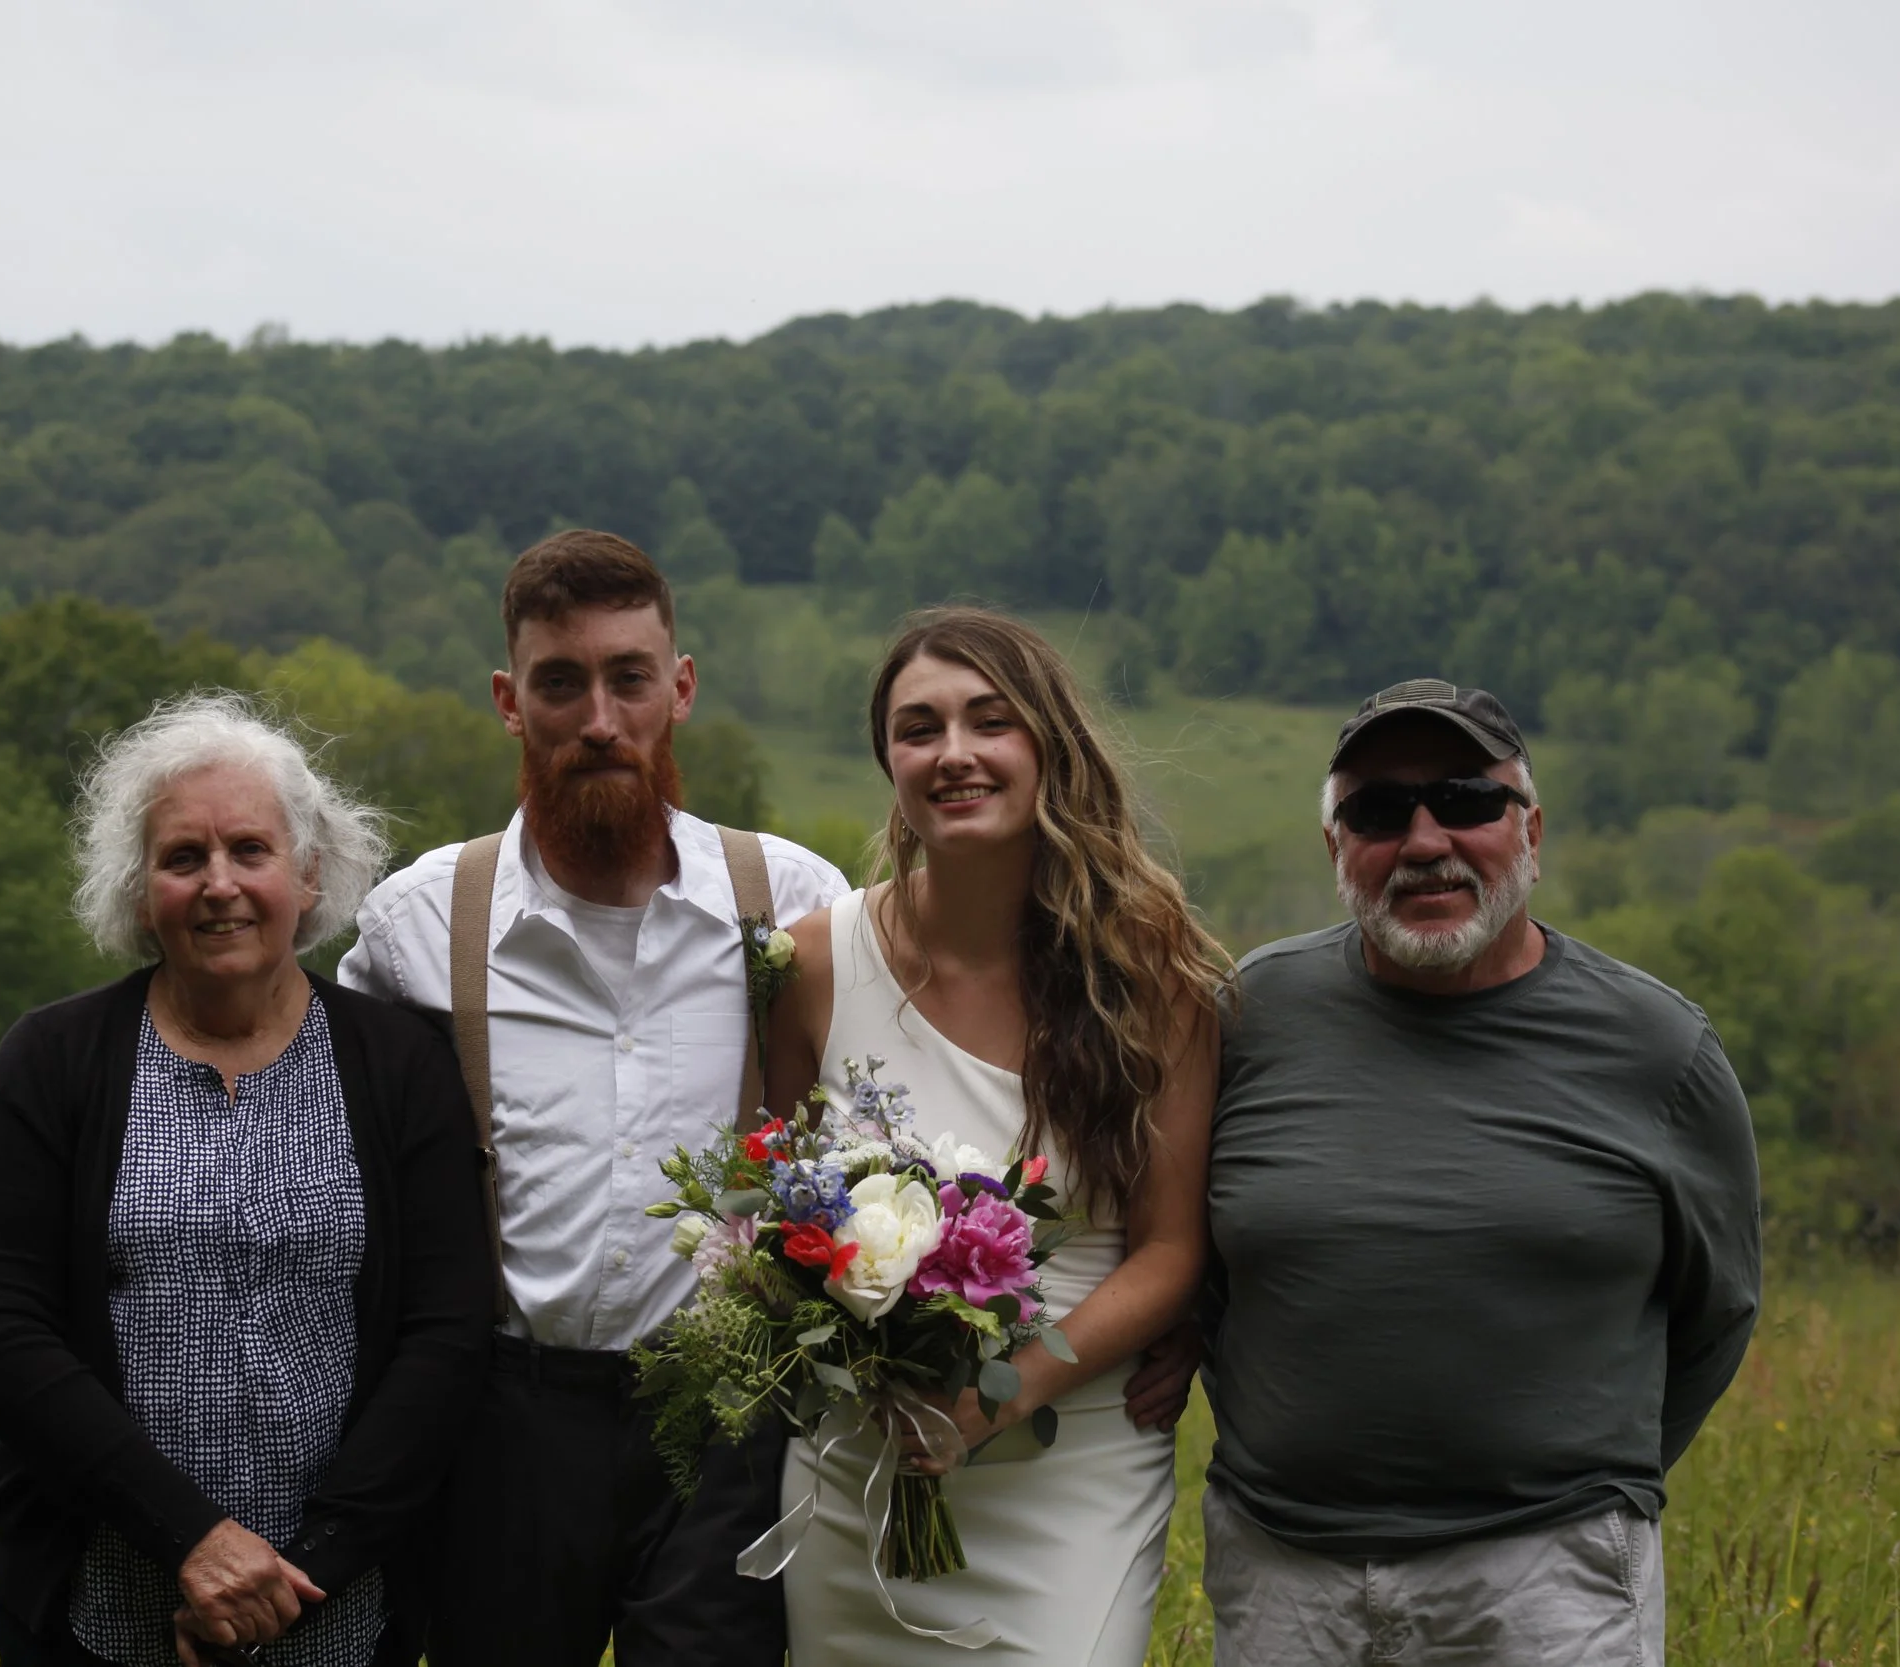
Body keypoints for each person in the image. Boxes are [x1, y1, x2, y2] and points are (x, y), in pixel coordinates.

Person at [335, 531, 848, 1665]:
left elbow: (900, 1104)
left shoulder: (794, 898)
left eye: (629, 678)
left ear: (681, 687)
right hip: (503, 1420)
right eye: (562, 683)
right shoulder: (423, 922)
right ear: (510, 701)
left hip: (726, 1418)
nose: (601, 720)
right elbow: (311, 1124)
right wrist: (39, 1185)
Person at [1198, 679, 1763, 1666]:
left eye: (1465, 799)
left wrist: (1577, 1483)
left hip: (1550, 1579)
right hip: (1284, 1569)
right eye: (1378, 811)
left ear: (1530, 830)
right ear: (1335, 847)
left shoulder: (1658, 1047)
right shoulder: (1250, 1016)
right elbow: (1191, 1260)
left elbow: (1717, 1308)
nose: (1424, 841)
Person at [0, 694, 493, 1667]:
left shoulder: (399, 1064)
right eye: (182, 857)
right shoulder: (51, 1061)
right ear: (138, 887)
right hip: (100, 1610)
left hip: (342, 1608)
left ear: (309, 872)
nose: (219, 884)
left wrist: (298, 1577)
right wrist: (192, 1540)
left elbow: (445, 1331)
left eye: (250, 849)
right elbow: (1, 1329)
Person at [760, 607, 1226, 1664]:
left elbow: (1168, 1250)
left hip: (1071, 1469)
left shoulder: (1150, 973)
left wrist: (995, 1398)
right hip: (860, 1471)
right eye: (918, 728)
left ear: (1049, 747)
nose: (954, 753)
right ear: (888, 760)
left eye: (990, 720)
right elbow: (773, 1210)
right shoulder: (814, 964)